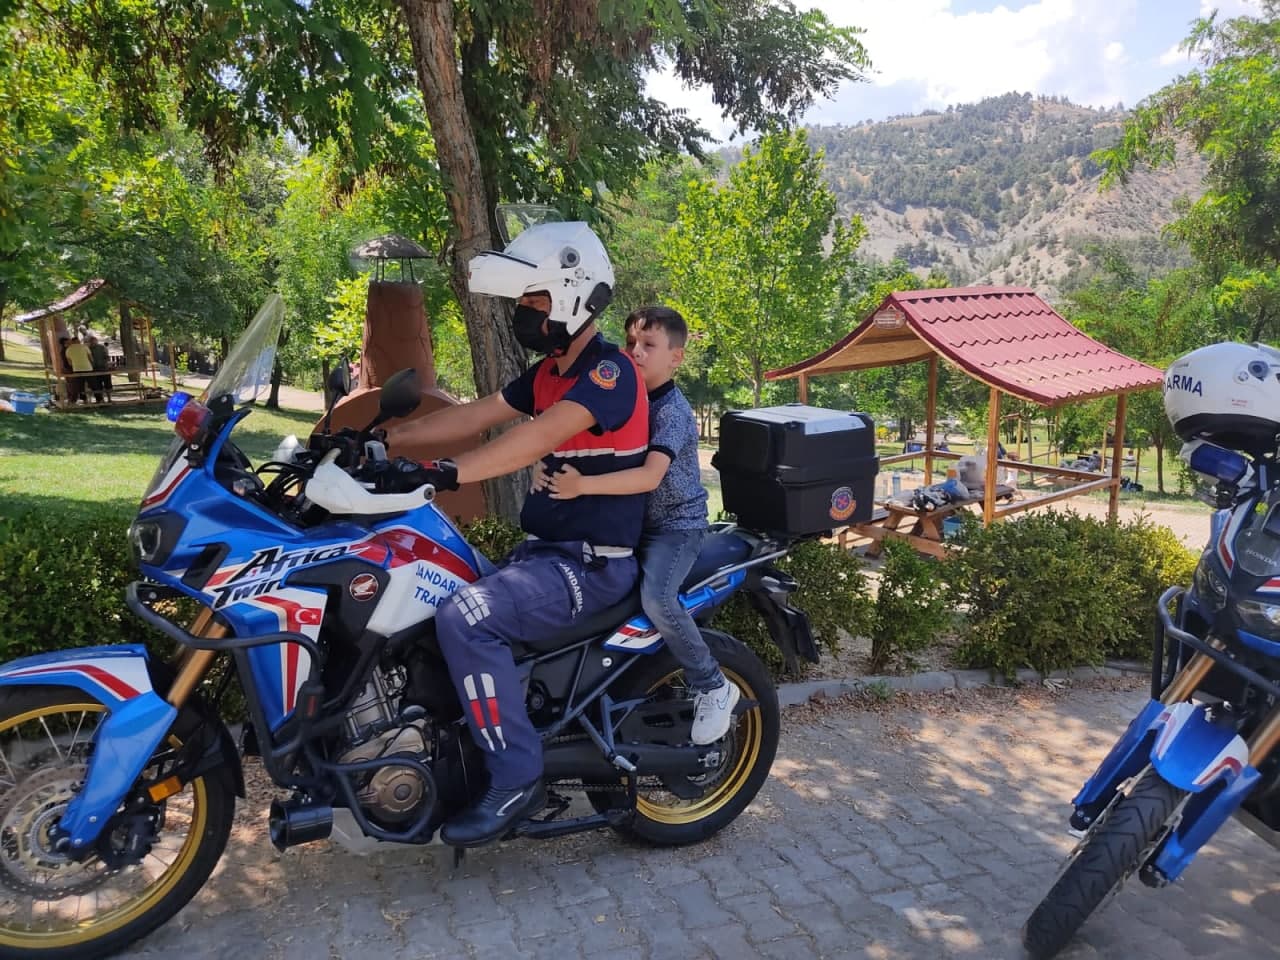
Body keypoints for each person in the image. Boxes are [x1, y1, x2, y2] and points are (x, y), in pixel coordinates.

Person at [390, 221, 648, 847]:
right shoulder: (548, 372)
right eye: (522, 301)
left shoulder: (608, 374)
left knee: (467, 618)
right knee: (428, 583)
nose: (523, 313)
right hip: (545, 556)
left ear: (573, 296)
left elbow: (535, 437)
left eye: (534, 299)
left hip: (591, 566)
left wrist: (446, 473)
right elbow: (475, 416)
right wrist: (379, 440)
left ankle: (516, 779)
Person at [536, 306, 740, 743]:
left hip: (675, 528)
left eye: (649, 345)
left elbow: (649, 477)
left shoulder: (671, 412)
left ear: (676, 357)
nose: (636, 352)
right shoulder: (626, 401)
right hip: (631, 526)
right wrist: (543, 464)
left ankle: (713, 685)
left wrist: (581, 486)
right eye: (630, 343)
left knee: (657, 599)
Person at [64, 335, 93, 404]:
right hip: (88, 368)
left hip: (77, 369)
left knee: (80, 386)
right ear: (78, 341)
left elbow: (70, 363)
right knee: (92, 384)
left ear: (72, 342)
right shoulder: (84, 347)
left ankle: (84, 399)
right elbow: (91, 358)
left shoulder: (68, 349)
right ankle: (99, 398)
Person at [87, 334, 111, 404]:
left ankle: (109, 399)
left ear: (96, 341)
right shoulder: (88, 349)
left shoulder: (102, 347)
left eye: (94, 341)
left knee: (107, 385)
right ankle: (101, 399)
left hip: (104, 368)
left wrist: (106, 361)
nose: (93, 343)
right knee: (97, 385)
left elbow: (107, 357)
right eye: (91, 341)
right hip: (94, 369)